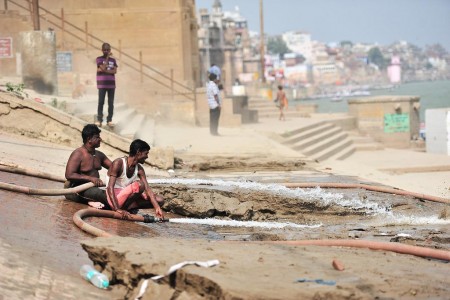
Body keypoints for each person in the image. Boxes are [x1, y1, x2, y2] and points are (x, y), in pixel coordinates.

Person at [106, 139, 164, 220]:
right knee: (140, 185)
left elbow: (148, 189)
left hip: (126, 197)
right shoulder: (118, 163)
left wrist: (157, 208)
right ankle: (123, 209)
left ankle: (129, 208)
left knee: (160, 200)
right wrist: (117, 209)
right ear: (138, 152)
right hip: (115, 199)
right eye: (146, 153)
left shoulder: (139, 169)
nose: (147, 156)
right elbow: (109, 187)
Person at [64, 124, 112, 209]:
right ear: (89, 139)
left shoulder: (99, 155)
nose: (100, 139)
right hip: (76, 190)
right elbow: (69, 175)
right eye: (97, 137)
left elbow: (114, 167)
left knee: (112, 194)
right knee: (105, 196)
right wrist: (91, 178)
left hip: (93, 189)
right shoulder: (78, 153)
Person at [96, 42, 118, 128]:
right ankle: (99, 120)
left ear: (110, 50)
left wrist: (104, 71)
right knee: (101, 102)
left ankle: (109, 120)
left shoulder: (113, 60)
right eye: (104, 50)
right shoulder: (99, 59)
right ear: (102, 50)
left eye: (107, 50)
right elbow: (104, 67)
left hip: (111, 85)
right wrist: (108, 57)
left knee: (110, 103)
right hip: (102, 84)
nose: (106, 51)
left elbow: (115, 71)